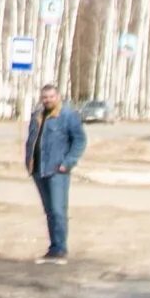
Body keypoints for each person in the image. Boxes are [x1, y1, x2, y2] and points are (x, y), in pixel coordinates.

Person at [26, 83, 87, 259]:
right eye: (45, 97)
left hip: (56, 170)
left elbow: (79, 141)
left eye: (51, 97)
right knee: (49, 211)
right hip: (39, 170)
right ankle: (54, 247)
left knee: (58, 210)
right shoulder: (37, 116)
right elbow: (31, 140)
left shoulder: (68, 115)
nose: (48, 100)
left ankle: (60, 247)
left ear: (58, 97)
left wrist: (67, 163)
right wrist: (28, 162)